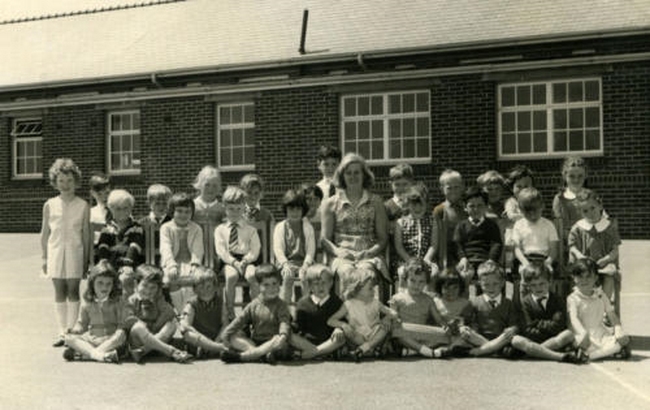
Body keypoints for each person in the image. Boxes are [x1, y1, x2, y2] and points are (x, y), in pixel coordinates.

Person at [321, 153, 389, 299]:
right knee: (346, 273)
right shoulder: (331, 203)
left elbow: (383, 238)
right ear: (342, 176)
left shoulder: (376, 202)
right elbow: (324, 239)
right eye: (348, 173)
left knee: (366, 274)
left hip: (368, 255)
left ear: (364, 175)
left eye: (357, 172)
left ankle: (368, 317)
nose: (353, 176)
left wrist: (370, 252)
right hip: (342, 255)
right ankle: (346, 318)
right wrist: (338, 252)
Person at [41, 158, 91, 347]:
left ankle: (72, 330)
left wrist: (86, 260)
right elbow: (45, 233)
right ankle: (61, 331)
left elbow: (86, 235)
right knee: (59, 291)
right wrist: (44, 257)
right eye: (61, 180)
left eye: (69, 180)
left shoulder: (83, 205)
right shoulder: (50, 204)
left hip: (75, 252)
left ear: (76, 181)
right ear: (55, 182)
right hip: (55, 252)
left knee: (73, 290)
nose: (65, 185)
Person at [509, 263, 583, 363]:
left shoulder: (558, 300)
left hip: (553, 340)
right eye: (533, 285)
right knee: (516, 340)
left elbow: (558, 326)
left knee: (568, 334)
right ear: (528, 286)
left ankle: (532, 353)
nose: (538, 288)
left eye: (542, 284)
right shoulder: (525, 302)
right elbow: (527, 329)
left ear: (549, 282)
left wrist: (537, 323)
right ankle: (559, 356)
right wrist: (546, 325)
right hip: (533, 340)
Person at [220, 264, 292, 364]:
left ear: (279, 283)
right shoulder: (254, 304)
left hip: (273, 342)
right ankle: (261, 355)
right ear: (258, 286)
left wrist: (283, 335)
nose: (271, 288)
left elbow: (284, 322)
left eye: (274, 283)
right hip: (256, 342)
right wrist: (226, 333)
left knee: (280, 343)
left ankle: (242, 357)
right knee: (234, 338)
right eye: (266, 285)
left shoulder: (281, 305)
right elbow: (240, 320)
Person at [124, 265, 192, 363]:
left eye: (153, 287)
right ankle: (171, 351)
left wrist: (156, 326)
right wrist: (144, 326)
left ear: (158, 289)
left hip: (155, 336)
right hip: (138, 341)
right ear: (136, 284)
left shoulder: (158, 299)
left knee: (171, 324)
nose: (148, 291)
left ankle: (143, 351)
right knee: (138, 327)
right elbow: (129, 320)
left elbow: (170, 313)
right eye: (145, 285)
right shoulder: (132, 300)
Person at [567, 258, 631, 361]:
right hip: (582, 333)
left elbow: (611, 314)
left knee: (624, 339)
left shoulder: (600, 295)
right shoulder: (573, 298)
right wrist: (582, 333)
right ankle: (608, 352)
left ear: (596, 278)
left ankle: (589, 356)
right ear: (574, 278)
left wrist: (618, 329)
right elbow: (573, 319)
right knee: (582, 343)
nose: (584, 280)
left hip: (600, 333)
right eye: (580, 277)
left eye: (588, 276)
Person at [327, 269, 398, 361]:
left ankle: (363, 349)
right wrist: (343, 325)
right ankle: (370, 349)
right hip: (357, 336)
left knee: (384, 328)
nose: (374, 291)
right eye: (370, 288)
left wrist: (387, 318)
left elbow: (394, 313)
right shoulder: (348, 304)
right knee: (349, 332)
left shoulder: (376, 302)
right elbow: (330, 320)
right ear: (357, 289)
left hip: (374, 335)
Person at [63, 260, 126, 363]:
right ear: (92, 283)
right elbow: (82, 324)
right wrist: (74, 330)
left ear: (113, 285)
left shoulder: (117, 301)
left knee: (121, 335)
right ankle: (101, 355)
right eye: (100, 283)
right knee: (69, 338)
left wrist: (119, 332)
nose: (104, 287)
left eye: (108, 284)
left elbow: (121, 324)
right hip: (92, 338)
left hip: (110, 339)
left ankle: (88, 354)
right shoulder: (88, 301)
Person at [215, 186, 261, 320]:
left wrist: (246, 261)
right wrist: (234, 262)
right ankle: (230, 311)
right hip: (228, 261)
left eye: (238, 209)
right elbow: (221, 250)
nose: (235, 212)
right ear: (225, 207)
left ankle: (255, 310)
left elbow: (255, 249)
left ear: (244, 208)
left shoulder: (250, 230)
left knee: (252, 276)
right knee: (231, 277)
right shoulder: (220, 229)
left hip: (248, 260)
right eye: (231, 209)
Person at [568, 189, 620, 306]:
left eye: (593, 208)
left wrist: (606, 259)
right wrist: (580, 256)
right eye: (585, 211)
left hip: (603, 263)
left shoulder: (609, 227)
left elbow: (615, 250)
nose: (590, 213)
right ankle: (584, 305)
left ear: (600, 206)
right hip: (584, 264)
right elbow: (572, 247)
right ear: (581, 212)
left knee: (609, 276)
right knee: (582, 275)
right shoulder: (578, 228)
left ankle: (603, 307)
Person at [389, 259, 448, 358]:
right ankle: (427, 351)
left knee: (447, 335)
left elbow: (438, 319)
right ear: (405, 279)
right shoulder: (397, 298)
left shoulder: (428, 299)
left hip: (422, 333)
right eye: (412, 280)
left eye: (421, 282)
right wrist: (396, 319)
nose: (417, 285)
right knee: (396, 330)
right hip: (405, 335)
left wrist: (444, 325)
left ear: (426, 282)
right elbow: (393, 317)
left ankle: (414, 351)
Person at [460, 261, 520, 357]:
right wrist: (463, 327)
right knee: (467, 334)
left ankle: (480, 351)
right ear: (479, 283)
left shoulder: (508, 304)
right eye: (486, 285)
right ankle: (494, 350)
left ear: (502, 283)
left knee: (510, 337)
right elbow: (462, 319)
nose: (491, 288)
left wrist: (512, 329)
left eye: (495, 284)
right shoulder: (474, 302)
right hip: (479, 339)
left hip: (500, 338)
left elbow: (514, 324)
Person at [511, 187, 560, 302]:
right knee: (525, 277)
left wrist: (548, 262)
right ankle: (526, 307)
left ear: (542, 206)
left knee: (547, 277)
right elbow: (517, 249)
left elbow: (553, 249)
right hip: (527, 259)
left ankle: (547, 307)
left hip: (544, 260)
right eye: (527, 211)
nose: (532, 214)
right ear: (520, 210)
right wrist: (525, 263)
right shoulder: (519, 225)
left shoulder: (548, 225)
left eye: (535, 210)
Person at [290, 264, 346, 359]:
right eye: (316, 284)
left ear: (331, 283)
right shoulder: (303, 303)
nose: (320, 287)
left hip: (330, 340)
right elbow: (298, 325)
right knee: (289, 335)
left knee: (342, 337)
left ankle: (313, 353)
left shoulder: (337, 302)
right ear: (310, 286)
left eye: (324, 283)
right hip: (308, 341)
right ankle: (320, 352)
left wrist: (339, 328)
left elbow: (343, 320)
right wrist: (290, 327)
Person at [160, 192, 204, 312]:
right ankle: (182, 312)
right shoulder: (166, 228)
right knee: (171, 278)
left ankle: (187, 312)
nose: (183, 215)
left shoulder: (196, 228)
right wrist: (171, 265)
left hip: (190, 263)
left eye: (187, 212)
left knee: (193, 278)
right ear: (172, 211)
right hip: (172, 263)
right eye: (179, 211)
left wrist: (195, 265)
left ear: (192, 213)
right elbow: (165, 247)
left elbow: (197, 249)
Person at [97, 189, 145, 298]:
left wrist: (127, 265)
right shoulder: (108, 228)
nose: (122, 212)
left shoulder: (136, 227)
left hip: (131, 264)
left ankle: (127, 308)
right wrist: (104, 262)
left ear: (131, 208)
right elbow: (103, 246)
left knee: (125, 278)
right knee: (102, 278)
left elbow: (135, 246)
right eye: (118, 209)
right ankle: (107, 308)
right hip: (110, 263)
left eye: (125, 208)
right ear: (111, 209)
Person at [454, 187, 503, 292]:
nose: (476, 209)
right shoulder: (461, 225)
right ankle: (466, 303)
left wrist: (491, 259)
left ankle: (487, 301)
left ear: (486, 207)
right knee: (462, 276)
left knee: (490, 276)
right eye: (472, 206)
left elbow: (496, 244)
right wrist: (462, 258)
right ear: (465, 207)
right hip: (467, 261)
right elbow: (457, 244)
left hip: (486, 261)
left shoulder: (491, 225)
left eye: (480, 205)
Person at [273, 189, 316, 301]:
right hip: (286, 263)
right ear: (285, 210)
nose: (295, 212)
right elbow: (278, 249)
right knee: (288, 276)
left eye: (298, 209)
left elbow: (311, 250)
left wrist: (305, 266)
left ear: (303, 210)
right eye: (291, 209)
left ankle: (305, 310)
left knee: (304, 277)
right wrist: (285, 264)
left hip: (304, 262)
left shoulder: (307, 227)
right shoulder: (280, 227)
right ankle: (284, 310)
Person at [394, 183, 438, 291]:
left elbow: (433, 245)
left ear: (426, 204)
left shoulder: (432, 221)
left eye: (421, 204)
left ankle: (428, 301)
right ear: (407, 204)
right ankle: (403, 301)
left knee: (433, 273)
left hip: (426, 259)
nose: (417, 208)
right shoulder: (401, 222)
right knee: (402, 272)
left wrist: (427, 259)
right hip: (407, 260)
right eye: (414, 205)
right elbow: (399, 246)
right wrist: (409, 260)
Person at [179, 266, 227, 358]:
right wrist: (206, 341)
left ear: (215, 287)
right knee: (188, 334)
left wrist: (216, 341)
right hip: (199, 338)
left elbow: (225, 324)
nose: (205, 290)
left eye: (208, 286)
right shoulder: (192, 304)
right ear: (194, 289)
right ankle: (216, 349)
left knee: (231, 332)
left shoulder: (220, 302)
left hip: (216, 337)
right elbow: (186, 325)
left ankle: (212, 348)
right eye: (201, 287)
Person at [431, 268, 474, 355]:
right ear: (440, 287)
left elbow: (467, 321)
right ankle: (447, 348)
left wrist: (460, 325)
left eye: (455, 288)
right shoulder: (435, 301)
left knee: (467, 334)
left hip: (458, 334)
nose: (451, 291)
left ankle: (449, 349)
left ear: (460, 288)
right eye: (446, 288)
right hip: (440, 333)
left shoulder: (465, 303)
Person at [432, 169, 466, 271]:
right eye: (449, 188)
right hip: (445, 254)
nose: (453, 191)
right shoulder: (439, 210)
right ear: (442, 189)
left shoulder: (466, 209)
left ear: (462, 187)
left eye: (456, 187)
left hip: (463, 253)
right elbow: (435, 237)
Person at [553, 156, 588, 251]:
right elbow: (559, 226)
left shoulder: (590, 196)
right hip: (567, 245)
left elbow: (600, 218)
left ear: (585, 175)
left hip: (589, 241)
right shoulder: (560, 199)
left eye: (580, 176)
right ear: (564, 176)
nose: (576, 180)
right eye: (572, 176)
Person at [137, 184, 172, 266]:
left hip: (167, 265)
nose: (161, 207)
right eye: (157, 203)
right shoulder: (141, 224)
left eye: (164, 203)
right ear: (149, 203)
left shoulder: (172, 223)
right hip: (146, 265)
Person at [88, 172, 111, 256]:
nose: (104, 197)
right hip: (98, 255)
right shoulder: (91, 214)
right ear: (92, 193)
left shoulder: (120, 210)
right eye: (99, 194)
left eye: (107, 193)